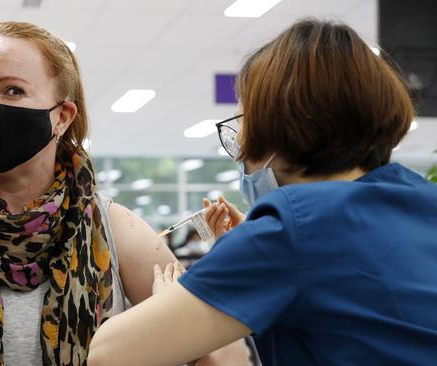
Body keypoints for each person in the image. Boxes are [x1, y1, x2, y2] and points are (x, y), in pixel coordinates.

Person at [0, 21, 248, 366]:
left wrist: (215, 288)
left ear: (62, 117)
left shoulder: (114, 227)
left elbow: (215, 353)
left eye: (12, 90)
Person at [87, 19, 437, 366]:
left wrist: (170, 299)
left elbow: (109, 354)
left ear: (281, 125)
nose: (240, 146)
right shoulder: (420, 198)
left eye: (242, 125)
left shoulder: (292, 229)